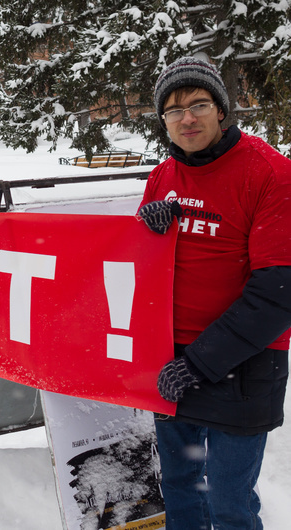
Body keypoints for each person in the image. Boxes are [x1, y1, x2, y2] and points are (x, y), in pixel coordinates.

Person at [137, 56, 291, 529]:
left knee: (228, 500)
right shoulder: (164, 176)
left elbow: (278, 294)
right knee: (182, 489)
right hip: (170, 359)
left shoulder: (269, 174)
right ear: (163, 120)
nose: (187, 118)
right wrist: (145, 229)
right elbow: (139, 267)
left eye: (199, 104)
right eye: (173, 109)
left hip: (243, 365)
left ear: (221, 110)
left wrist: (200, 363)